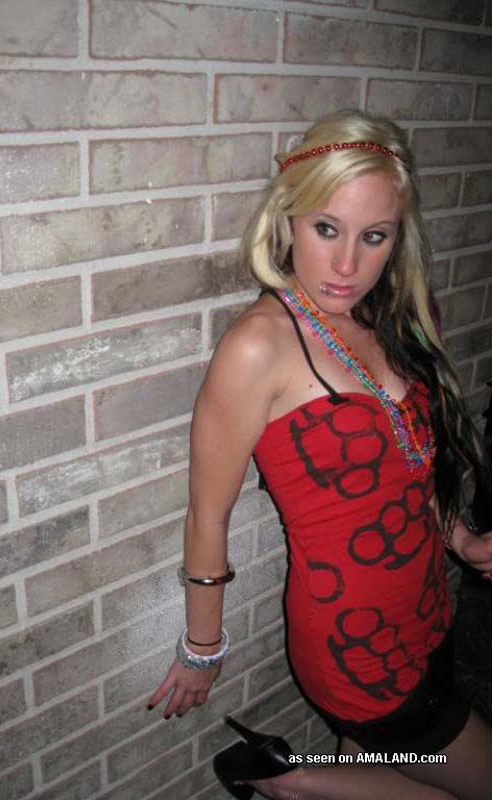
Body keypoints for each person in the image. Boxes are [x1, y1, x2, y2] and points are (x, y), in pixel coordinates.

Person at [147, 109, 492, 800]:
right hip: (355, 644)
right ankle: (290, 781)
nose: (346, 265)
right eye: (326, 228)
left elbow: (409, 463)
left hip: (427, 609)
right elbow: (208, 513)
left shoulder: (384, 317)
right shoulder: (259, 347)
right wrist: (203, 648)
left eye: (373, 236)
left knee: (377, 761)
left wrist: (459, 539)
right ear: (288, 219)